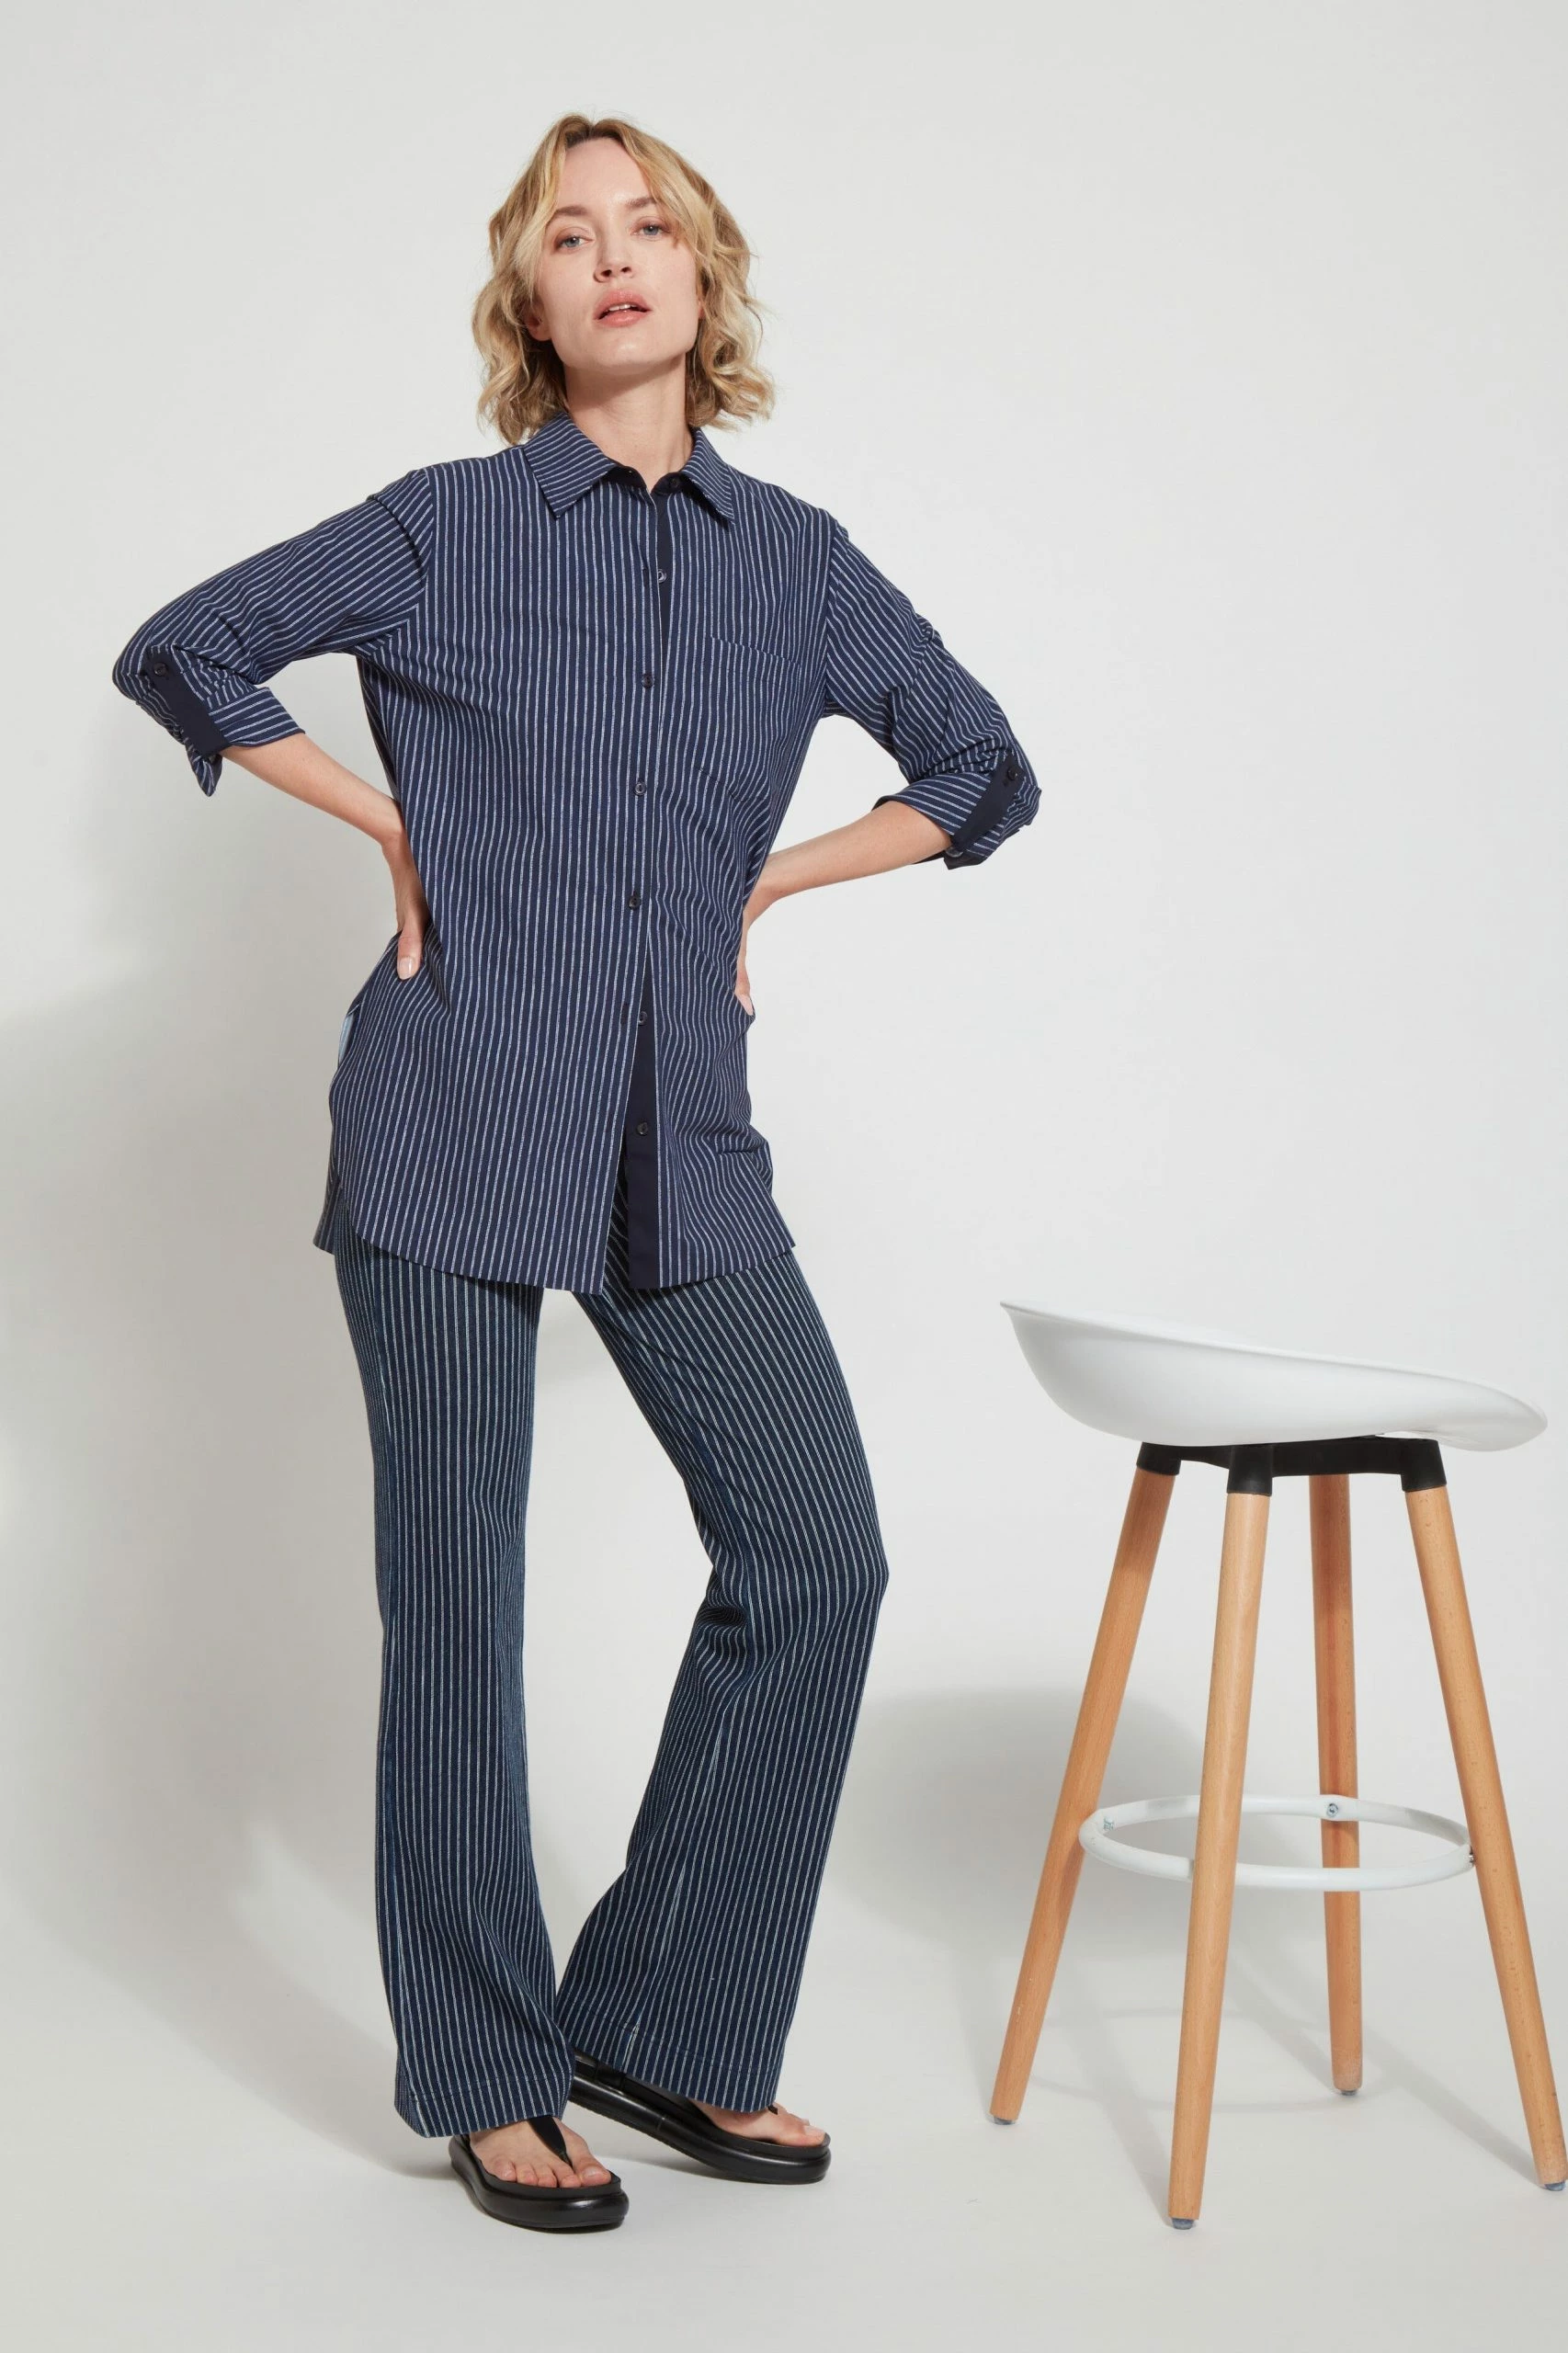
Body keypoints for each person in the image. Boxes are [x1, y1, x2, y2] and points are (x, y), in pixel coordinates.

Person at [111, 111, 1040, 2234]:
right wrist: (385, 821)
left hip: (677, 1134)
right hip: (447, 1114)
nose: (611, 255)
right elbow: (190, 644)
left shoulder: (795, 560)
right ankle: (490, 2067)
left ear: (706, 278)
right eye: (566, 233)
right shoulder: (439, 527)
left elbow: (983, 765)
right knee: (458, 1605)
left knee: (815, 1558)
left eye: (648, 226)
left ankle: (668, 2019)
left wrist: (764, 880)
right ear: (526, 300)